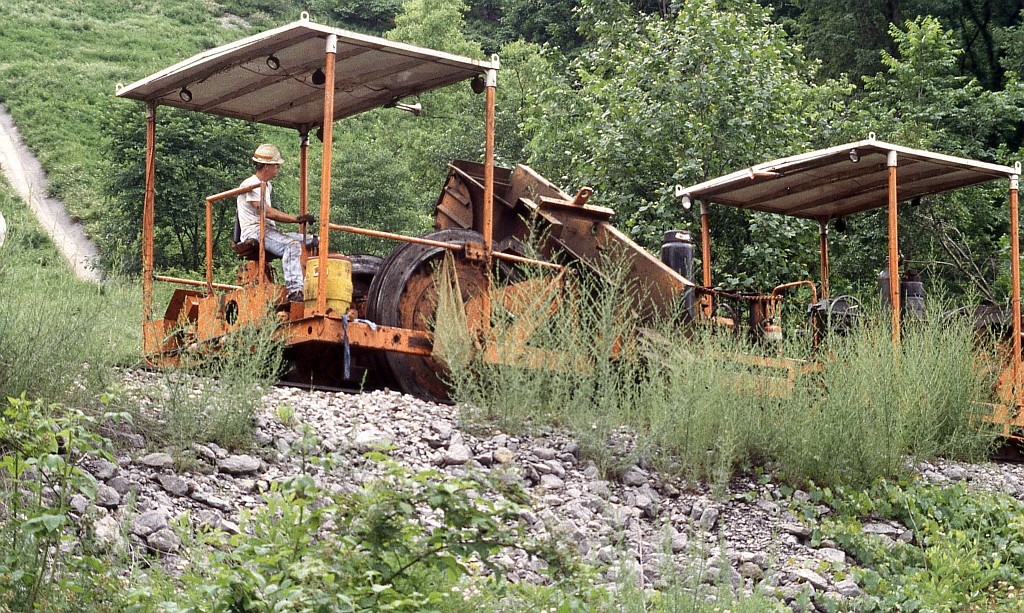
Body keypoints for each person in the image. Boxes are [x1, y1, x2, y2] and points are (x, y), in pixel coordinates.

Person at [237, 144, 317, 302]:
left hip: (267, 230)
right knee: (292, 245)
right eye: (276, 165)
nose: (278, 168)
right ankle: (295, 291)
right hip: (255, 231)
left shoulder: (267, 186)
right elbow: (268, 212)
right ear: (266, 166)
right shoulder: (251, 184)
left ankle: (314, 285)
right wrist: (296, 219)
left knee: (314, 241)